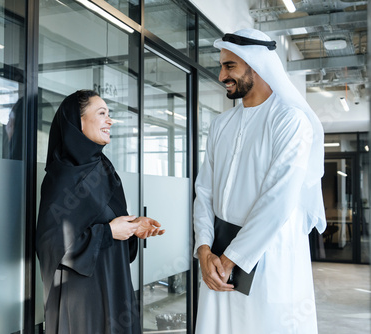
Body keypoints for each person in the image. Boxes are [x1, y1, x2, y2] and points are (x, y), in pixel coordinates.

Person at [193, 29, 327, 333]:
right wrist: (203, 248)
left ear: (258, 65)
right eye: (221, 66)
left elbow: (279, 201)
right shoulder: (221, 124)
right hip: (217, 256)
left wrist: (231, 260)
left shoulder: (290, 121)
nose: (221, 75)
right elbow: (204, 192)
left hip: (269, 256)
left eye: (230, 66)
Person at [36, 89, 165, 334]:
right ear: (78, 122)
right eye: (102, 113)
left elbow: (109, 221)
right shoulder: (62, 177)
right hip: (82, 297)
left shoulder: (103, 168)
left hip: (114, 281)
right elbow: (50, 243)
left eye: (109, 113)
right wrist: (108, 232)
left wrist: (134, 226)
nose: (110, 120)